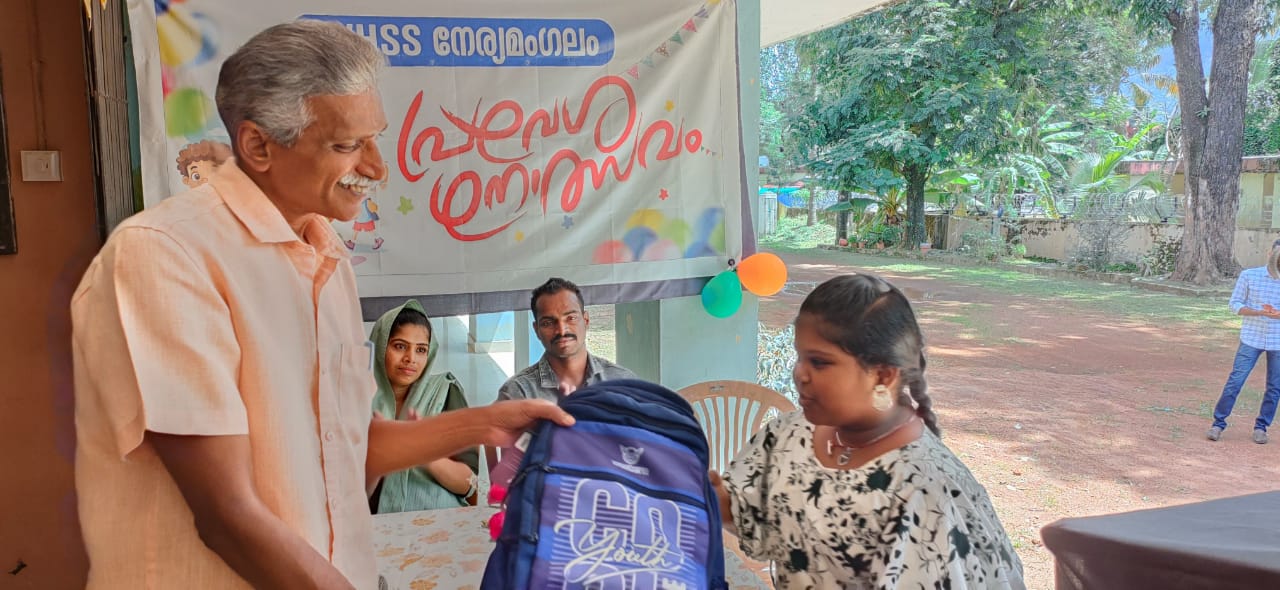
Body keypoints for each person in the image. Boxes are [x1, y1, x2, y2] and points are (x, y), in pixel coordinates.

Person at [70, 20, 572, 590]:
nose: (378, 167)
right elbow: (227, 515)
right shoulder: (166, 256)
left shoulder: (324, 256)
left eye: (375, 138)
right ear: (258, 146)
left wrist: (487, 423)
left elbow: (351, 445)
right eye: (348, 145)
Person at [710, 274, 1023, 589]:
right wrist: (707, 492)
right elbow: (758, 521)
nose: (799, 373)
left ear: (883, 376)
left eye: (819, 363)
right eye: (800, 356)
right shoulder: (787, 436)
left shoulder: (922, 490)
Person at [368, 300, 479, 512]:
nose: (411, 358)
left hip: (441, 521)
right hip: (374, 525)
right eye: (400, 346)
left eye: (421, 350)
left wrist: (425, 455)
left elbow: (471, 485)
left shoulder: (445, 392)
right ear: (380, 346)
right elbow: (341, 491)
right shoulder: (354, 400)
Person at [497, 277, 636, 401]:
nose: (562, 331)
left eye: (571, 318)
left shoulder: (622, 382)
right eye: (548, 323)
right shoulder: (518, 393)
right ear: (536, 330)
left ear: (586, 321)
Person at [1207, 239, 1280, 444]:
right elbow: (1234, 304)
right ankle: (1218, 423)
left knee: (1274, 387)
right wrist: (1258, 312)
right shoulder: (1249, 276)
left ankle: (1261, 427)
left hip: (1278, 341)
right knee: (1236, 381)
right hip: (1251, 337)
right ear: (1269, 253)